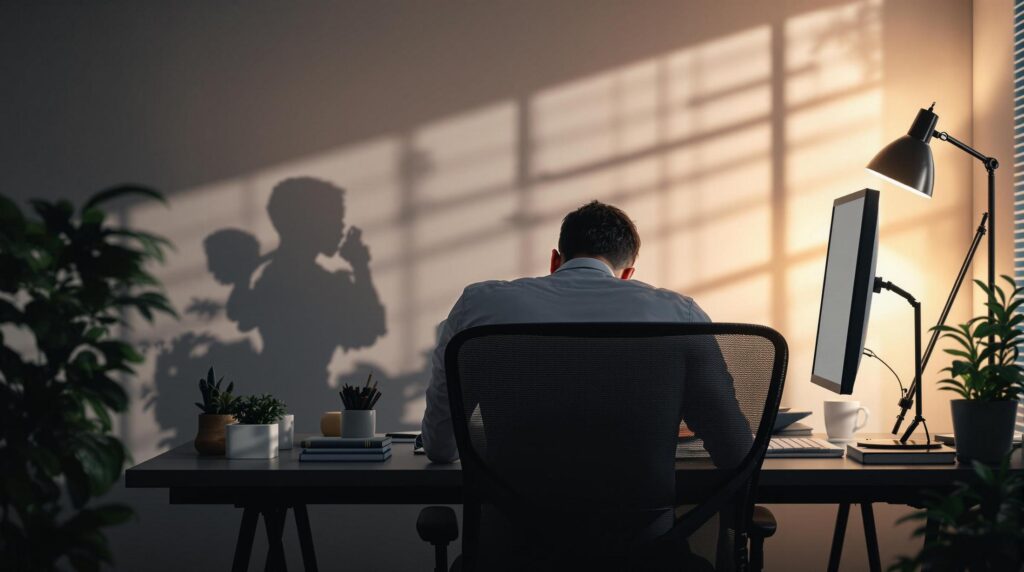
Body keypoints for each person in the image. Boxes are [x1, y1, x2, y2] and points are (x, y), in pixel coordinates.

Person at [420, 200, 751, 466]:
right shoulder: (681, 315)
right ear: (627, 275)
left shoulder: (479, 306)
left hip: (511, 542)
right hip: (643, 543)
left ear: (555, 260)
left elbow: (440, 447)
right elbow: (734, 449)